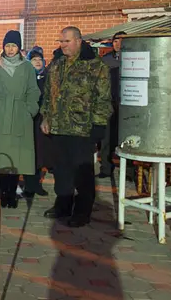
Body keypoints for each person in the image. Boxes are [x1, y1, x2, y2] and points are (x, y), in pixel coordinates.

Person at [41, 26, 111, 228]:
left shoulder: (96, 66)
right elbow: (48, 93)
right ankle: (63, 204)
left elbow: (104, 98)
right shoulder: (56, 65)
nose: (62, 45)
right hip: (59, 127)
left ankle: (82, 211)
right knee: (61, 171)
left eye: (67, 41)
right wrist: (45, 117)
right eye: (60, 41)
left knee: (82, 172)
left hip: (82, 129)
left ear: (79, 41)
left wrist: (98, 125)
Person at [0, 31, 41, 209]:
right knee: (3, 158)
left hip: (20, 115)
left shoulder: (27, 67)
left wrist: (30, 110)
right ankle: (4, 193)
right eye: (8, 46)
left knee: (16, 158)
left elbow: (33, 90)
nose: (10, 49)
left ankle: (12, 195)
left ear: (19, 47)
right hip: (1, 115)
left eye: (14, 46)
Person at [23, 47, 50, 197]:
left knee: (40, 154)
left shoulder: (47, 78)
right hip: (28, 119)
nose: (38, 62)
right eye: (34, 60)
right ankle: (29, 185)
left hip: (41, 119)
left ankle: (37, 183)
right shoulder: (26, 78)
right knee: (28, 153)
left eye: (40, 59)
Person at [99, 31, 126, 178]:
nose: (118, 44)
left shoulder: (133, 58)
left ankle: (128, 170)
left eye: (121, 40)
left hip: (126, 103)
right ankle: (105, 168)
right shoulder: (106, 60)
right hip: (108, 102)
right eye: (115, 41)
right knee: (106, 137)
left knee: (126, 137)